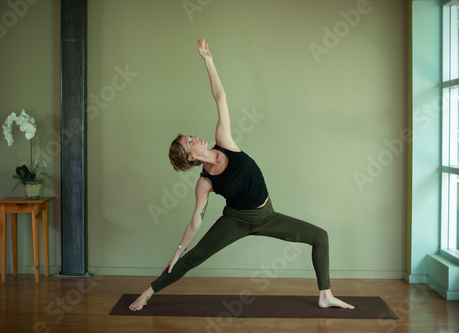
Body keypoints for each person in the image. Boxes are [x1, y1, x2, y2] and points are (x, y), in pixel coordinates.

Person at [129, 38, 354, 311]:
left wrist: (208, 60)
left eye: (190, 136)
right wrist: (177, 251)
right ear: (190, 158)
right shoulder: (204, 183)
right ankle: (148, 292)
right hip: (235, 221)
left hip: (268, 216)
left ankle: (325, 295)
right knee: (192, 259)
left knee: (320, 236)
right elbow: (195, 223)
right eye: (190, 142)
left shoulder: (225, 142)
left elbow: (220, 97)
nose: (195, 138)